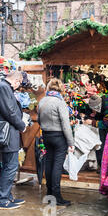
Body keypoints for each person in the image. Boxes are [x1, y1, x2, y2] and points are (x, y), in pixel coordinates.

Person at [0, 70, 27, 210]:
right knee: (11, 166)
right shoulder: (3, 87)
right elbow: (9, 111)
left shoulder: (2, 87)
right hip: (8, 133)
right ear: (16, 80)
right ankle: (2, 200)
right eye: (19, 83)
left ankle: (7, 197)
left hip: (7, 133)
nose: (18, 86)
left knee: (8, 166)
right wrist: (21, 125)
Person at [38, 78, 75, 206]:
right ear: (61, 89)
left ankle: (49, 194)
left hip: (46, 135)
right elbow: (66, 125)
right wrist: (71, 142)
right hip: (59, 136)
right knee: (57, 166)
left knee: (49, 163)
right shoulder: (60, 102)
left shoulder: (42, 101)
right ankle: (57, 197)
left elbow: (38, 119)